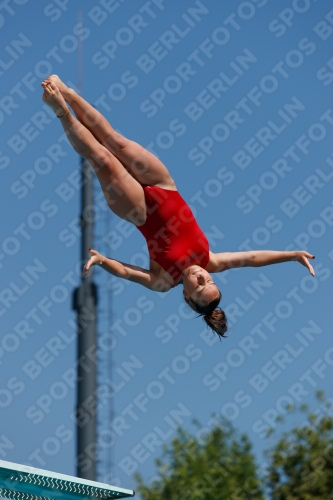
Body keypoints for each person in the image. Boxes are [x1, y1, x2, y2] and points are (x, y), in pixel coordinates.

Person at [41, 76, 315, 338]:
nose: (202, 278)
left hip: (137, 211)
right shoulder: (210, 260)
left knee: (102, 157)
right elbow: (253, 259)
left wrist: (103, 261)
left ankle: (61, 110)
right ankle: (67, 92)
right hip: (163, 185)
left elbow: (127, 272)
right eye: (209, 281)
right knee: (115, 141)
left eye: (199, 287)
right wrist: (290, 255)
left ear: (186, 295)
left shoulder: (164, 282)